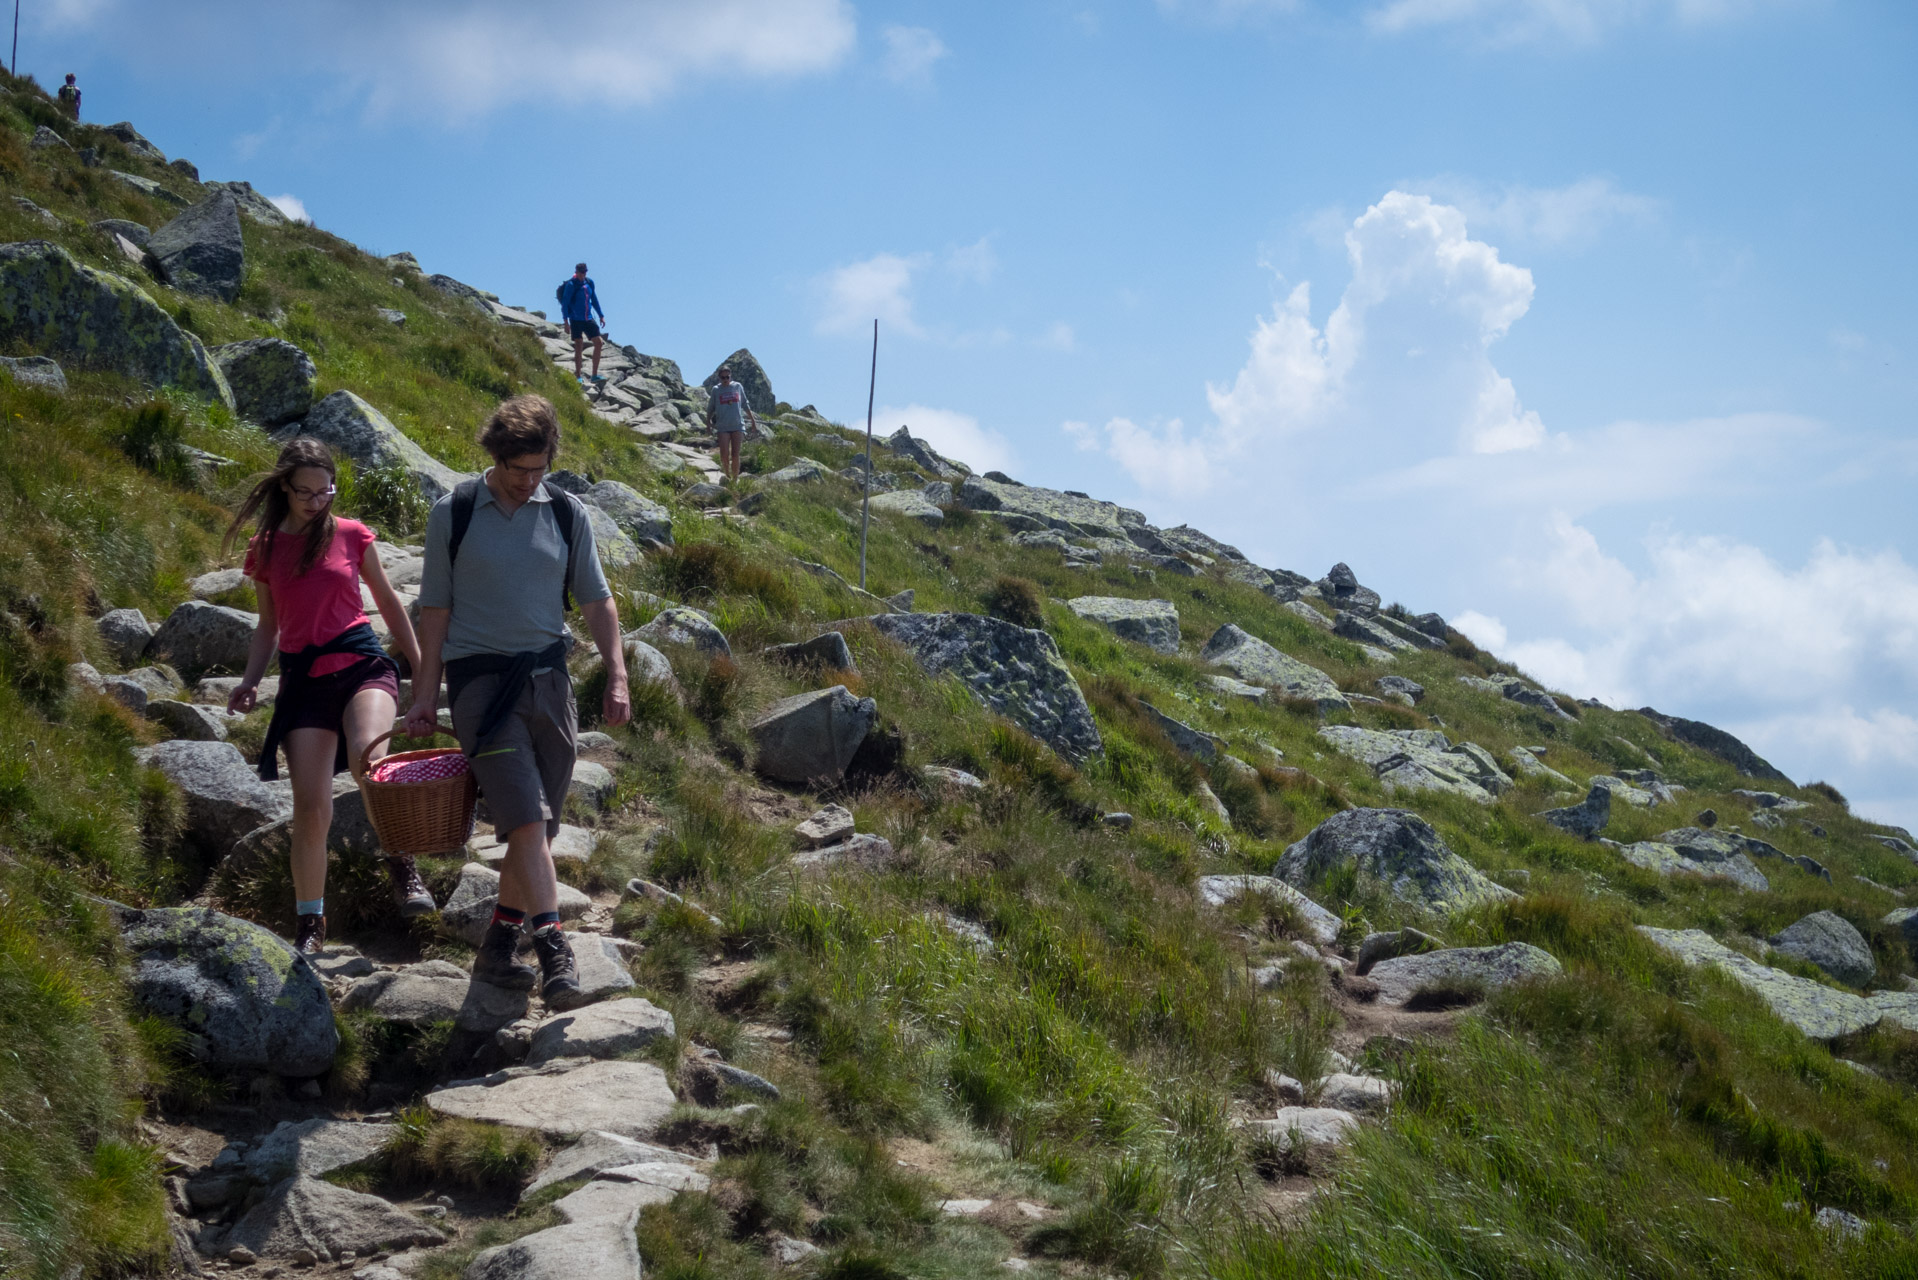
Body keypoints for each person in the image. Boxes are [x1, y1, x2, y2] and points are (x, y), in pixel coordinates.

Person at [405, 395, 631, 1008]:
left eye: (537, 470)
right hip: (481, 687)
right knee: (527, 820)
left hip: (550, 683)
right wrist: (426, 695)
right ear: (494, 456)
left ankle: (498, 944)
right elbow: (435, 612)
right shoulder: (452, 513)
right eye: (515, 470)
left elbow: (595, 600)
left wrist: (616, 674)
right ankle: (556, 951)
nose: (526, 481)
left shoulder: (564, 512)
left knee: (542, 828)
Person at [224, 438, 429, 956]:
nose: (318, 501)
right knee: (311, 809)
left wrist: (424, 669)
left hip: (362, 662)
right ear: (285, 489)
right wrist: (250, 680)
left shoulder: (352, 534)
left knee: (371, 758)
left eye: (326, 490)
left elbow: (387, 602)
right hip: (302, 679)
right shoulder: (266, 547)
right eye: (306, 492)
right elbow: (269, 625)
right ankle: (310, 925)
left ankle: (403, 866)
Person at [556, 262, 606, 383]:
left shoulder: (589, 283)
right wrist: (566, 322)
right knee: (579, 345)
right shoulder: (571, 285)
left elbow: (594, 299)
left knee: (598, 343)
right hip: (575, 319)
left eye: (585, 272)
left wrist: (601, 315)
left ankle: (594, 375)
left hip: (588, 318)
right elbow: (565, 304)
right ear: (576, 272)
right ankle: (578, 376)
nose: (583, 275)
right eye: (581, 273)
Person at [708, 364, 757, 482]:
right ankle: (727, 475)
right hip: (722, 426)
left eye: (727, 377)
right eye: (723, 378)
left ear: (730, 377)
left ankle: (735, 479)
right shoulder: (716, 390)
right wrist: (708, 423)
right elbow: (711, 407)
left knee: (735, 454)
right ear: (719, 378)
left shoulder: (737, 386)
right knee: (724, 455)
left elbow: (745, 404)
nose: (725, 380)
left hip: (737, 425)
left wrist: (753, 421)